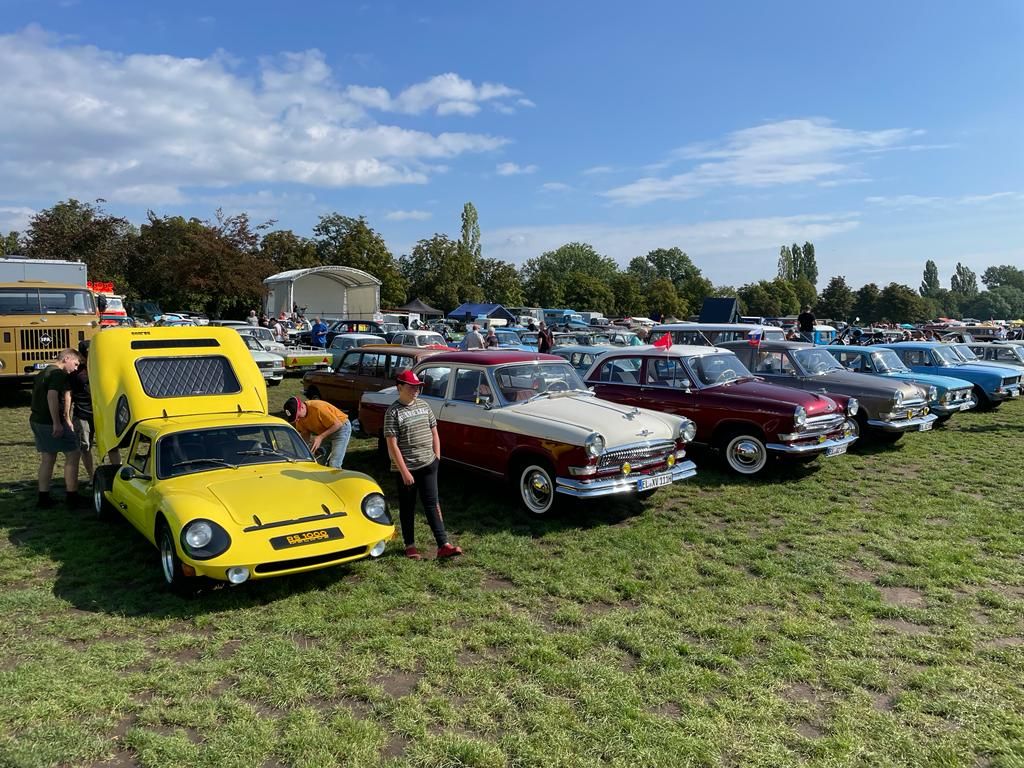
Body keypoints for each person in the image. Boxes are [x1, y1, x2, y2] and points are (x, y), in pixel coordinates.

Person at [384, 369, 461, 560]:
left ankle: (443, 545)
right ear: (399, 387)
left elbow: (434, 431)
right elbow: (392, 445)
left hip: (429, 464)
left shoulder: (424, 405)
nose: (415, 390)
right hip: (407, 469)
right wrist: (404, 471)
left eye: (417, 387)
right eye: (411, 387)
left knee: (432, 504)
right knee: (407, 507)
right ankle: (410, 545)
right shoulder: (393, 412)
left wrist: (437, 457)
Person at [30, 348, 83, 508]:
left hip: (37, 420)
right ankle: (72, 496)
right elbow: (52, 396)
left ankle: (43, 497)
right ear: (66, 359)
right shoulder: (58, 374)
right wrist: (57, 422)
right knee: (73, 453)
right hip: (49, 422)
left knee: (48, 457)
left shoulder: (44, 372)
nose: (76, 368)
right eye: (75, 364)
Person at [282, 396, 352, 469]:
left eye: (297, 416)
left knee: (334, 463)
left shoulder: (318, 408)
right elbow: (305, 433)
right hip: (325, 431)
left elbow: (338, 424)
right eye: (295, 418)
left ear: (302, 407)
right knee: (318, 462)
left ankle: (337, 475)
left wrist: (320, 437)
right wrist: (303, 451)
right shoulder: (300, 418)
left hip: (341, 429)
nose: (297, 420)